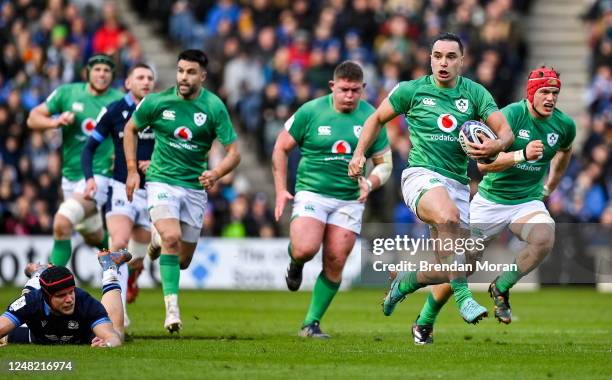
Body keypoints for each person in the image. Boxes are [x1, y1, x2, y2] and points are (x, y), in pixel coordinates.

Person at [348, 32, 514, 325]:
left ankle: (406, 283)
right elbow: (375, 118)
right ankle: (465, 299)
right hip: (420, 176)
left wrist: (496, 146)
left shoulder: (475, 93)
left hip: (458, 184)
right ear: (430, 59)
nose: (443, 62)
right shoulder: (410, 91)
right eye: (438, 56)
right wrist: (359, 154)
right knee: (447, 216)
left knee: (465, 262)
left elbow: (506, 132)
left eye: (451, 57)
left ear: (462, 61)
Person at [410, 66, 574, 344]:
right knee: (461, 268)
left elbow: (565, 151)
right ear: (531, 93)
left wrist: (551, 185)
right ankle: (424, 321)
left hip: (527, 202)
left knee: (544, 238)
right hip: (490, 202)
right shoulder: (510, 116)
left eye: (555, 93)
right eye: (544, 92)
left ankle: (501, 286)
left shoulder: (564, 125)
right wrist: (521, 155)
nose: (550, 98)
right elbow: (484, 165)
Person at [123, 49, 241, 333]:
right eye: (180, 71)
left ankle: (156, 239)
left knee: (183, 260)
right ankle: (172, 311)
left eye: (190, 72)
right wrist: (131, 170)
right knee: (172, 237)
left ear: (202, 75)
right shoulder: (157, 101)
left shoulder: (214, 107)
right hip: (161, 180)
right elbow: (130, 129)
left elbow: (234, 152)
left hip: (193, 188)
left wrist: (216, 172)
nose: (183, 77)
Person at [273, 61, 392, 338]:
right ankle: (295, 263)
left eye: (355, 90)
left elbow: (384, 164)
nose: (349, 96)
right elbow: (281, 147)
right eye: (344, 90)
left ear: (363, 89)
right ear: (332, 86)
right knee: (305, 248)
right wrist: (281, 189)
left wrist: (370, 182)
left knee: (336, 259)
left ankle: (310, 323)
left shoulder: (372, 117)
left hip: (350, 199)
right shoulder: (311, 111)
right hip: (313, 191)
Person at [27, 54, 123, 266]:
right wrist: (56, 121)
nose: (102, 74)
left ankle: (51, 282)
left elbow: (133, 132)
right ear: (87, 72)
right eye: (97, 69)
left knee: (62, 223)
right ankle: (124, 262)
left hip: (99, 176)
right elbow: (33, 117)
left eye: (107, 71)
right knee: (94, 236)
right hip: (70, 175)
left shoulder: (119, 101)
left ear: (112, 75)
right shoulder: (67, 93)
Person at [81, 63, 156, 325]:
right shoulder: (115, 111)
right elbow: (89, 148)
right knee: (118, 244)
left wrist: (155, 163)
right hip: (121, 188)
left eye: (149, 78)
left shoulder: (160, 111)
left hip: (153, 191)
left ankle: (133, 277)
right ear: (128, 83)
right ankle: (118, 311)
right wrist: (89, 178)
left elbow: (174, 149)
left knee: (137, 257)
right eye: (140, 77)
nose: (146, 81)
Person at [0, 249, 132, 347]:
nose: (69, 299)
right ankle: (38, 272)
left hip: (83, 336)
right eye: (61, 295)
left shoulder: (85, 302)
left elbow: (113, 338)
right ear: (47, 297)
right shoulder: (31, 301)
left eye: (71, 292)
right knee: (27, 300)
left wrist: (108, 343)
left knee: (118, 332)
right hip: (38, 336)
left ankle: (109, 266)